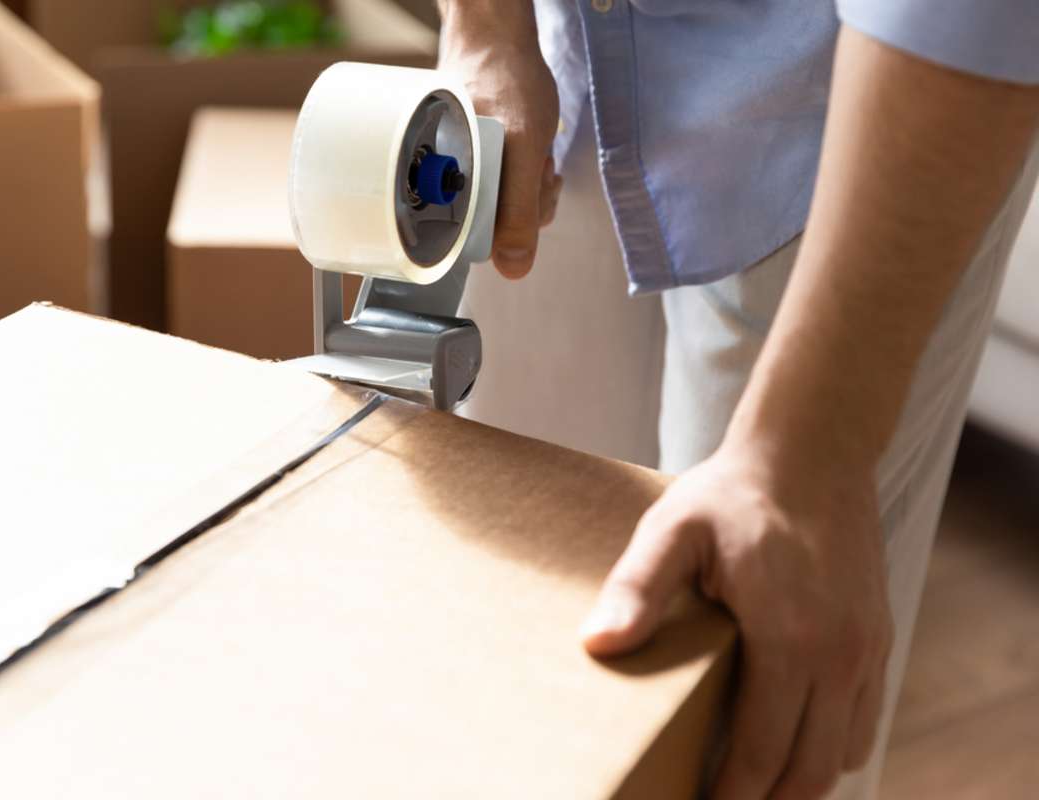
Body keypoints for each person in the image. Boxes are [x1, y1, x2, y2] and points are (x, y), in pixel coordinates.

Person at [436, 1, 1039, 798]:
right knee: (508, 645)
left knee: (749, 703)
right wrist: (484, 25)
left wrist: (807, 458)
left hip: (846, 128)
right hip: (558, 61)